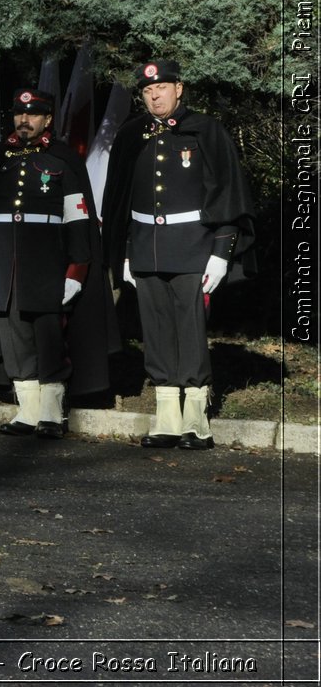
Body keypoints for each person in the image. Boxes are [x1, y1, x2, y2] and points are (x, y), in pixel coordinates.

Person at [102, 60, 255, 451]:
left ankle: (196, 419)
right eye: (148, 91)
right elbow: (118, 201)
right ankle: (167, 417)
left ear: (179, 89)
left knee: (190, 329)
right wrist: (122, 254)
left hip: (193, 248)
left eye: (162, 88)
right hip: (145, 250)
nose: (155, 95)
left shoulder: (206, 130)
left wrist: (221, 252)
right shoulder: (131, 134)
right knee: (154, 330)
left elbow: (226, 195)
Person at [0, 88, 116, 439]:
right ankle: (27, 412)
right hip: (0, 263)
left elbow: (77, 215)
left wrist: (76, 269)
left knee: (49, 336)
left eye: (32, 115)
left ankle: (52, 413)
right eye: (18, 114)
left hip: (46, 262)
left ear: (47, 120)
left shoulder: (62, 158)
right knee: (13, 338)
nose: (24, 121)